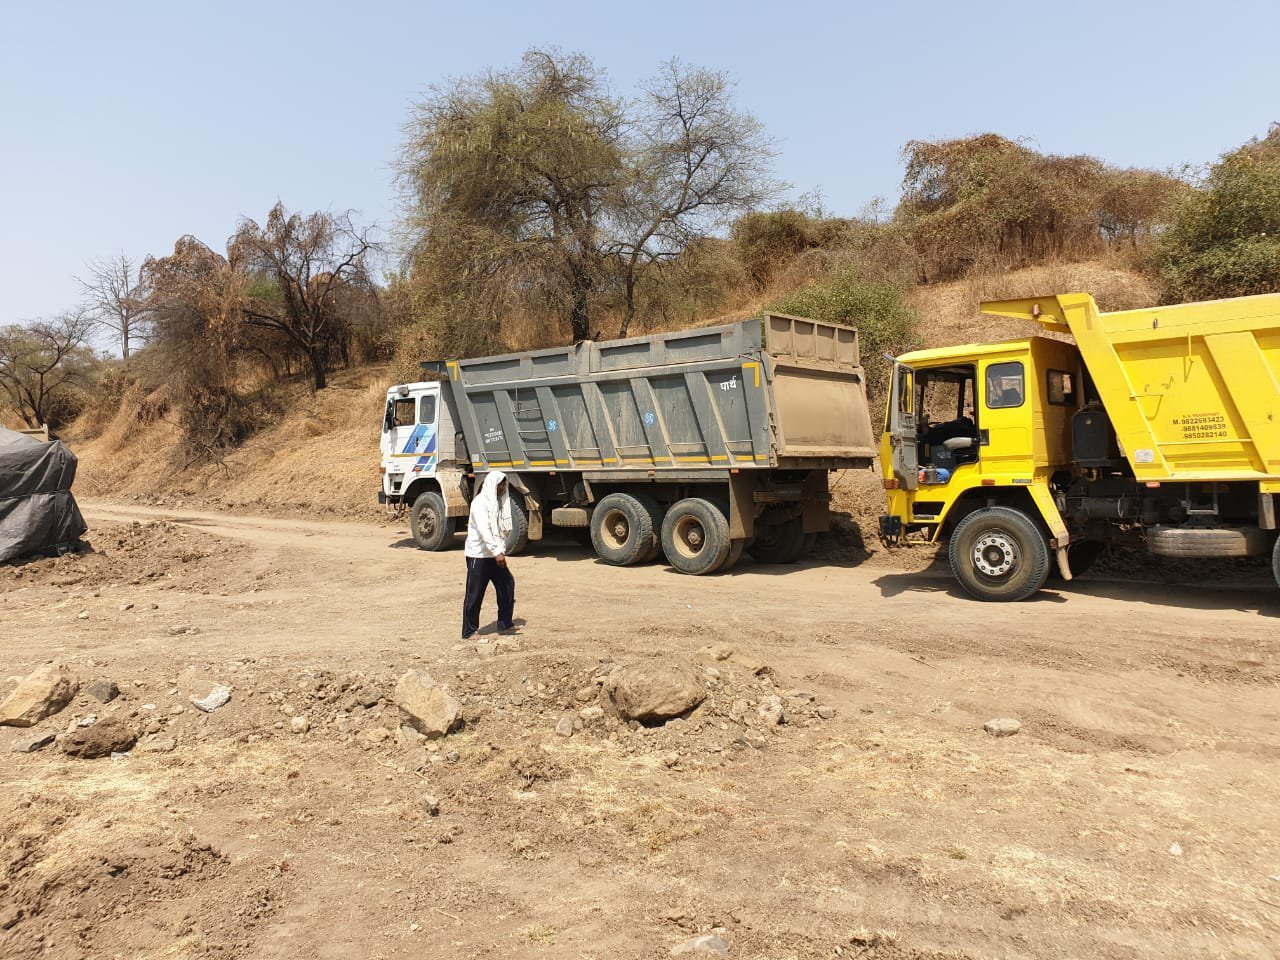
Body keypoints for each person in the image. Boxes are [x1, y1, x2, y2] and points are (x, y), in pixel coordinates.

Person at [462, 470, 518, 640]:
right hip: (478, 555)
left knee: (507, 585)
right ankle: (469, 631)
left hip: (494, 555)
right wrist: (497, 553)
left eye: (503, 484)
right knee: (475, 593)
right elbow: (485, 530)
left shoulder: (497, 503)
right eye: (499, 484)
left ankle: (505, 623)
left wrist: (499, 551)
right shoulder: (480, 503)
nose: (502, 488)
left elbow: (499, 530)